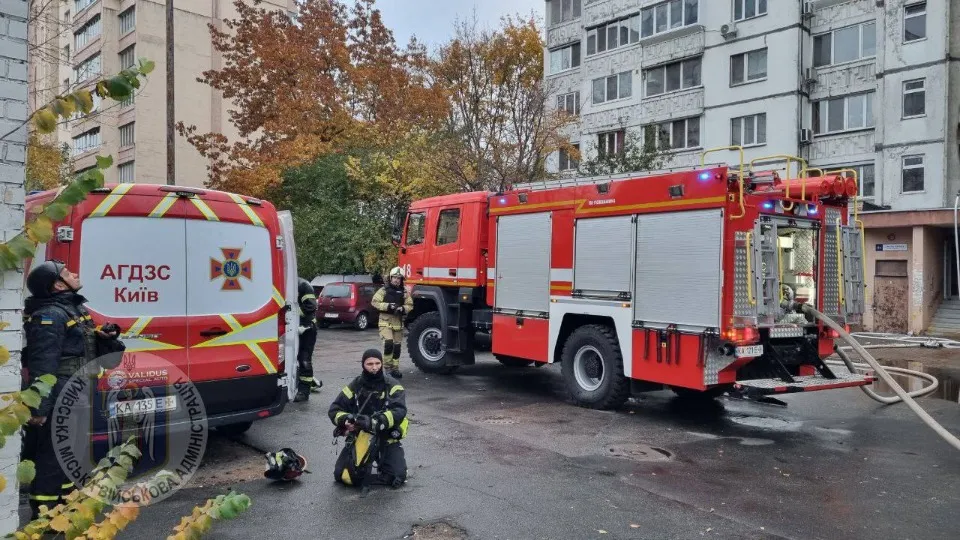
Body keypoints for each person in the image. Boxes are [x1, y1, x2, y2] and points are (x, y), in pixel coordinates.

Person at [22, 261, 123, 519]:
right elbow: (43, 366)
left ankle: (66, 509)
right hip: (60, 396)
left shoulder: (75, 309)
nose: (75, 274)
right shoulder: (50, 316)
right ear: (57, 284)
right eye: (67, 273)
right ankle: (45, 518)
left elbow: (86, 352)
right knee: (53, 456)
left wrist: (106, 340)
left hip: (78, 393)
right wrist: (40, 408)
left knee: (73, 452)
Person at [328, 349, 408, 489]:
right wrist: (345, 420)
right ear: (363, 365)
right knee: (343, 475)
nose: (374, 367)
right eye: (369, 363)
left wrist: (376, 422)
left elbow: (399, 411)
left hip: (386, 434)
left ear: (382, 364)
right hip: (363, 434)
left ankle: (384, 464)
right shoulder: (356, 384)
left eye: (377, 363)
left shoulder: (393, 385)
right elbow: (335, 409)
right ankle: (362, 469)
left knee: (397, 476)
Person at [371, 267, 412, 379]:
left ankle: (395, 369)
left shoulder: (404, 292)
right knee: (388, 344)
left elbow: (410, 305)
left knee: (397, 347)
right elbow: (374, 302)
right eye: (394, 277)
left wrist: (403, 308)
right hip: (385, 321)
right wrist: (388, 306)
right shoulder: (384, 290)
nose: (396, 280)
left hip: (398, 322)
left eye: (399, 278)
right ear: (390, 278)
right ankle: (388, 369)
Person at [295, 277, 320, 402]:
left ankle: (304, 392)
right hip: (292, 328)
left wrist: (290, 311)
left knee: (304, 359)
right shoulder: (285, 285)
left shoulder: (303, 285)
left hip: (307, 328)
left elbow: (310, 307)